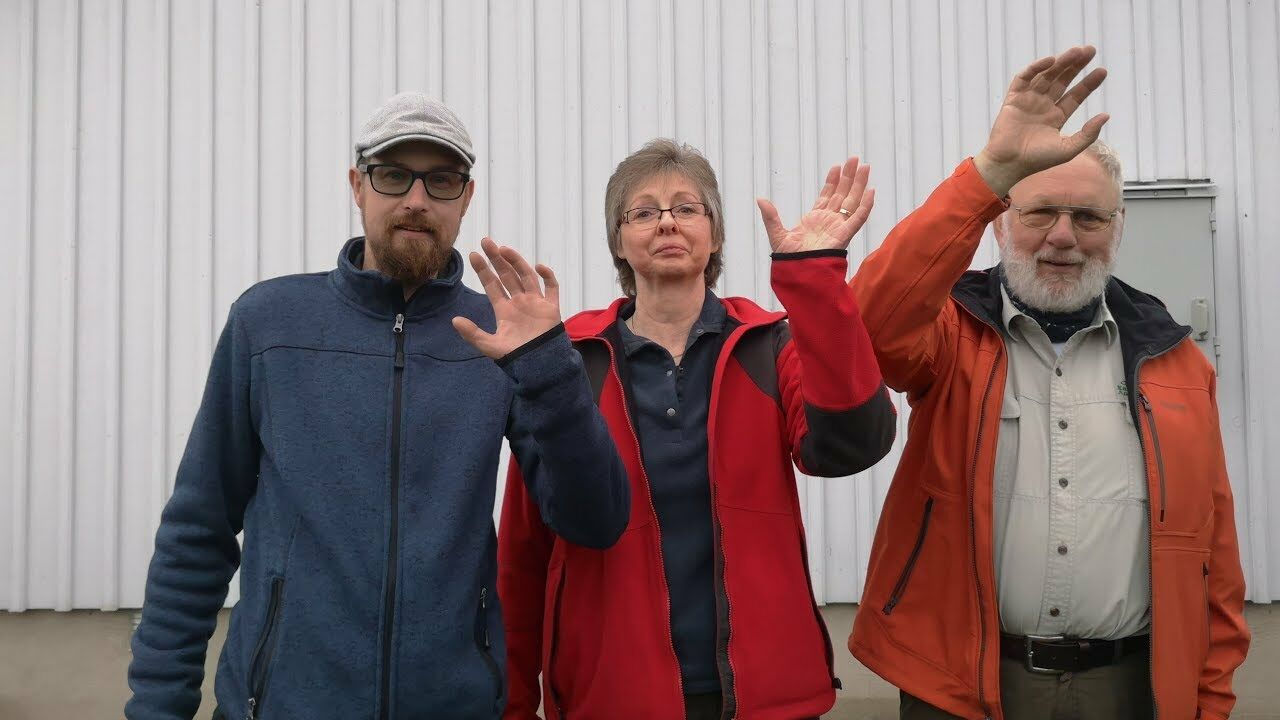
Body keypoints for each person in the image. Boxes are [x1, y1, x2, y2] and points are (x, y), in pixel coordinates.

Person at [125, 92, 629, 720]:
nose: (416, 199)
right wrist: (158, 705)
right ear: (357, 186)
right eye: (393, 174)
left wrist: (550, 370)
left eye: (440, 180)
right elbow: (197, 532)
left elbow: (595, 522)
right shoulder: (270, 324)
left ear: (466, 198)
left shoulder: (498, 336)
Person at [847, 46, 1250, 720]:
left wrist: (1209, 699)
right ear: (1000, 221)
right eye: (1039, 213)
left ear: (1118, 229)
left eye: (1089, 217)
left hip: (1130, 687)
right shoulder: (950, 333)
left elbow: (1215, 554)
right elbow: (868, 326)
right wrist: (987, 173)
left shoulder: (1179, 365)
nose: (1063, 237)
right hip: (964, 683)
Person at [499, 138, 897, 720]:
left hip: (768, 694)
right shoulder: (571, 361)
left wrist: (815, 282)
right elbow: (523, 547)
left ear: (714, 234)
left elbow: (852, 445)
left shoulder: (769, 344)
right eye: (643, 212)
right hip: (612, 695)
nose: (667, 222)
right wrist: (512, 704)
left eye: (687, 208)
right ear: (618, 241)